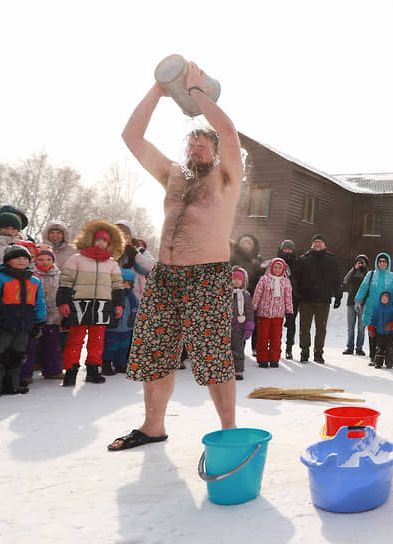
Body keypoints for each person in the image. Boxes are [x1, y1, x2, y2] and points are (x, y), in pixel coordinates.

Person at [109, 61, 244, 451]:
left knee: (214, 357)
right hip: (165, 276)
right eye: (192, 143)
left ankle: (229, 431)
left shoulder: (226, 179)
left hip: (207, 275)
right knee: (155, 353)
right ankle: (153, 426)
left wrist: (197, 93)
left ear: (216, 153)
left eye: (205, 144)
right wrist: (158, 89)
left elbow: (230, 133)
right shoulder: (173, 175)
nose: (197, 147)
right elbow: (132, 137)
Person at [58, 221, 125, 386]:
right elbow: (65, 281)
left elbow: (117, 286)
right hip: (79, 304)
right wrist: (63, 302)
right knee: (75, 339)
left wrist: (119, 304)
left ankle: (93, 369)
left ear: (109, 244)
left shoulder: (111, 263)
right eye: (98, 239)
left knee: (98, 340)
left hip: (102, 306)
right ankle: (71, 371)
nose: (101, 243)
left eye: (105, 241)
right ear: (91, 239)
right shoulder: (77, 259)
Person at [0, 245, 46, 397]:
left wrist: (39, 321)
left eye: (25, 258)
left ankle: (11, 385)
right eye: (17, 258)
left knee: (17, 356)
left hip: (23, 326)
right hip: (1, 325)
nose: (21, 261)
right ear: (8, 260)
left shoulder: (35, 281)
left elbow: (39, 302)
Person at [294, 235, 341, 364]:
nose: (317, 244)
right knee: (304, 328)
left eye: (320, 242)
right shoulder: (304, 259)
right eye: (315, 242)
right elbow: (296, 279)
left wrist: (338, 296)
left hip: (323, 300)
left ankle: (318, 353)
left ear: (325, 245)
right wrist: (296, 294)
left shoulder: (332, 260)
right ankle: (304, 352)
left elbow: (337, 279)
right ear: (311, 245)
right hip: (306, 300)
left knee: (321, 329)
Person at [20, 247, 64, 381]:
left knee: (52, 344)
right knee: (30, 345)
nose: (45, 262)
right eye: (41, 259)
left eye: (48, 259)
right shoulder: (30, 273)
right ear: (35, 260)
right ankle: (25, 374)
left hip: (53, 314)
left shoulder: (59, 274)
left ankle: (53, 370)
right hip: (35, 314)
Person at [354, 252, 393, 364]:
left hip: (387, 310)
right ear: (377, 262)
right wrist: (358, 300)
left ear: (388, 263)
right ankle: (373, 356)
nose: (382, 263)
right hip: (372, 308)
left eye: (384, 261)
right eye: (380, 261)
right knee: (373, 332)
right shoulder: (371, 274)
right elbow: (363, 288)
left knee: (387, 334)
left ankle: (389, 357)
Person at [252, 258, 293, 368]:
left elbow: (288, 298)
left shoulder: (285, 282)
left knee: (276, 338)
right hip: (264, 314)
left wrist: (289, 313)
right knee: (263, 338)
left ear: (283, 269)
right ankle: (262, 358)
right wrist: (254, 309)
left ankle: (274, 358)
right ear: (271, 267)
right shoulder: (264, 279)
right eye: (275, 267)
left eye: (280, 268)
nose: (277, 270)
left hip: (278, 315)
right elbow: (257, 294)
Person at [102, 268, 140, 376]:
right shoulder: (112, 295)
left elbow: (137, 308)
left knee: (123, 347)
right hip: (113, 327)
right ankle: (106, 364)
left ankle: (120, 364)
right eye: (122, 282)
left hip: (127, 327)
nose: (125, 285)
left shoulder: (133, 297)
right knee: (110, 346)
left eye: (128, 283)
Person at [115, 220, 156, 301]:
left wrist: (135, 254)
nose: (124, 237)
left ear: (131, 235)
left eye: (126, 233)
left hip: (137, 292)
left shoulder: (140, 250)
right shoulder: (113, 251)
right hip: (117, 291)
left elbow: (151, 266)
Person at [276, 240, 300, 359]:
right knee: (277, 323)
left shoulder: (298, 263)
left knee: (291, 323)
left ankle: (289, 348)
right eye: (285, 249)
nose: (287, 251)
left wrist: (298, 293)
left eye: (289, 249)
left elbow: (301, 280)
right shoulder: (276, 262)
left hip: (293, 297)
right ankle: (276, 347)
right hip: (277, 297)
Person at [341, 254, 369, 355]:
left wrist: (364, 269)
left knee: (361, 327)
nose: (361, 263)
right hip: (351, 303)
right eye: (359, 261)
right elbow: (345, 280)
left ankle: (359, 347)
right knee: (350, 327)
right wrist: (354, 268)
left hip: (363, 303)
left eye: (363, 262)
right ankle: (349, 347)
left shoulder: (368, 274)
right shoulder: (353, 272)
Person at [230, 267, 254, 376]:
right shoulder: (225, 294)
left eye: (239, 279)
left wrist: (249, 327)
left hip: (239, 327)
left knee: (238, 349)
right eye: (234, 279)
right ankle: (227, 369)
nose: (236, 281)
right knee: (226, 350)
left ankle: (238, 370)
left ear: (244, 281)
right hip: (226, 327)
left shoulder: (246, 295)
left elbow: (249, 312)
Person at [367, 291, 393, 369]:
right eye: (383, 298)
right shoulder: (377, 308)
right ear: (380, 299)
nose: (384, 299)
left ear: (389, 299)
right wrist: (371, 328)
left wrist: (391, 325)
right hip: (380, 332)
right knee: (379, 348)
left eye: (386, 298)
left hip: (390, 333)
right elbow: (373, 319)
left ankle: (389, 362)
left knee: (390, 348)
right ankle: (378, 362)